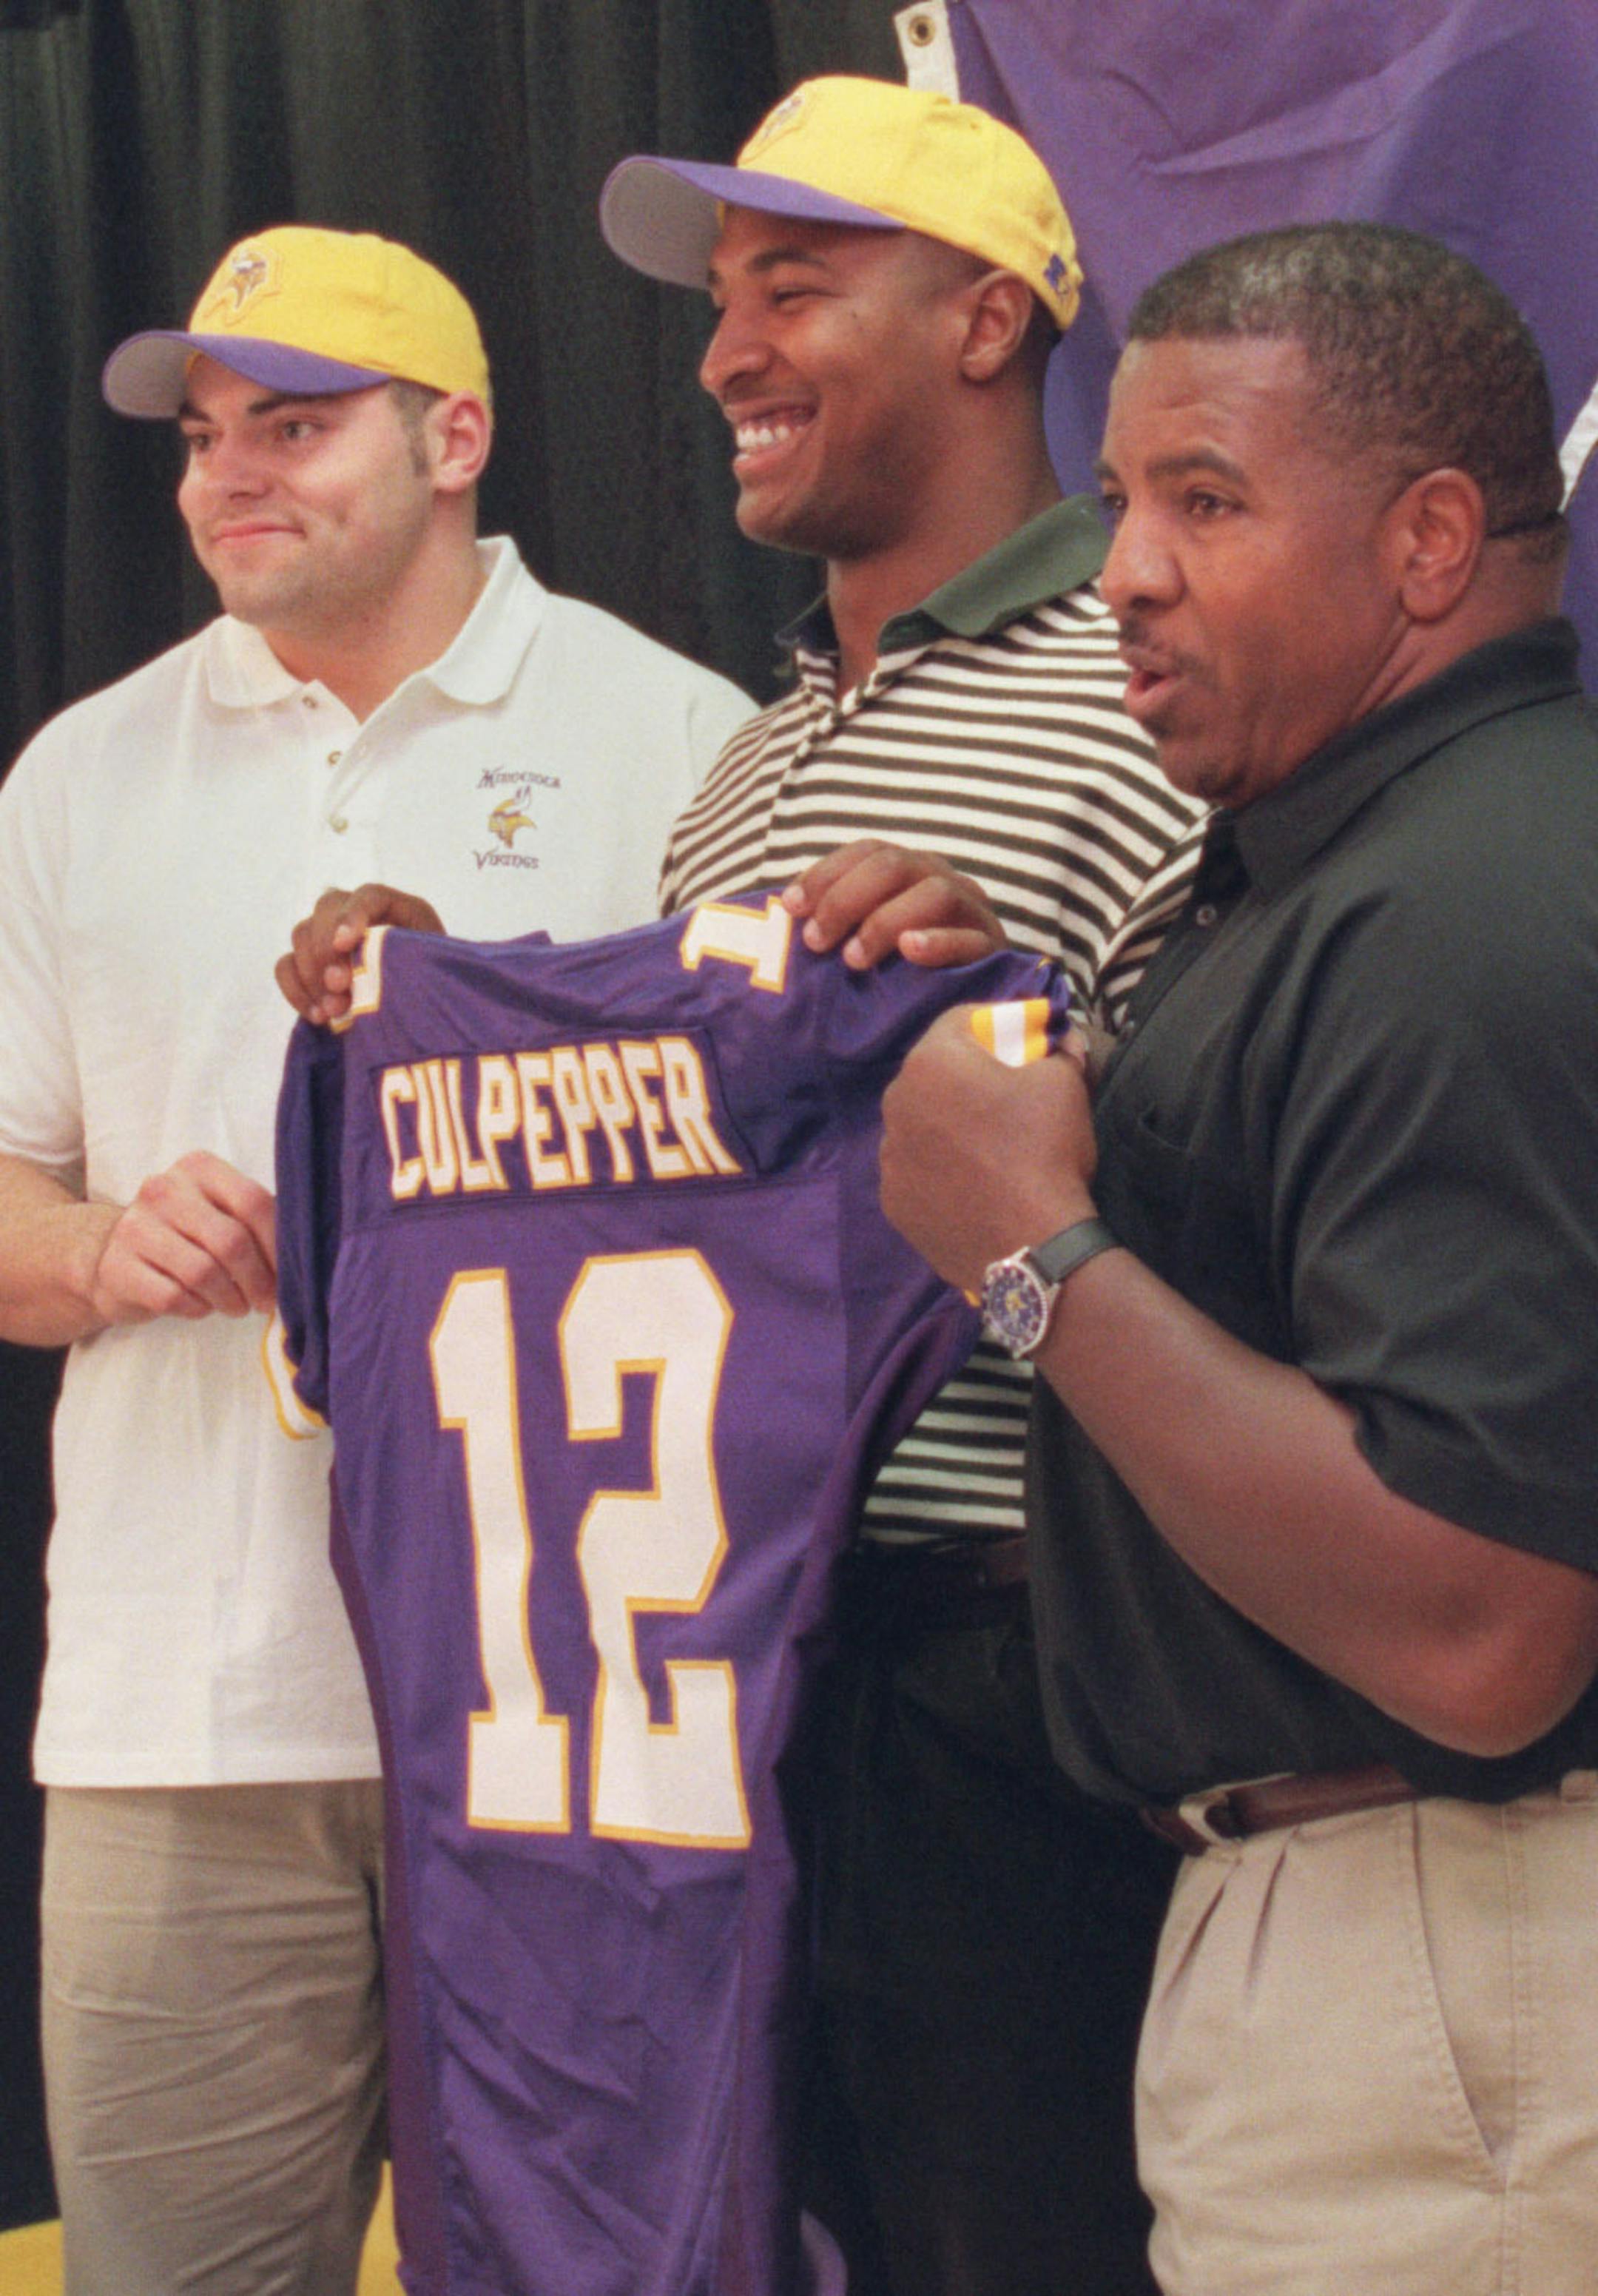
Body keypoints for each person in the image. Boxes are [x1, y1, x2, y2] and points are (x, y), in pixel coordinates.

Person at [284, 77, 1202, 2296]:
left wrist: (1026, 1008)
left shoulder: (1151, 684)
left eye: (796, 287)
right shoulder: (749, 770)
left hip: (1014, 1650)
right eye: (719, 304)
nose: (723, 356)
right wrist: (451, 999)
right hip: (723, 1700)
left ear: (990, 321)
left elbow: (1254, 1150)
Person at [0, 223, 749, 2296]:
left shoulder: (679, 743)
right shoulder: (79, 774)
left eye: (297, 425)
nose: (230, 472)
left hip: (578, 1706)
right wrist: (95, 1243)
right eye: (206, 434)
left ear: (458, 437)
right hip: (185, 1712)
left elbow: (772, 1203)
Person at [877, 220, 1598, 2296]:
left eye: (1206, 502)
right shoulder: (1356, 876)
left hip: (1452, 1960)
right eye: (1121, 504)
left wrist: (1028, 1252)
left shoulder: (1463, 908)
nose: (1123, 572)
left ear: (1434, 540)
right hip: (1389, 1949)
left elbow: (1484, 1628)